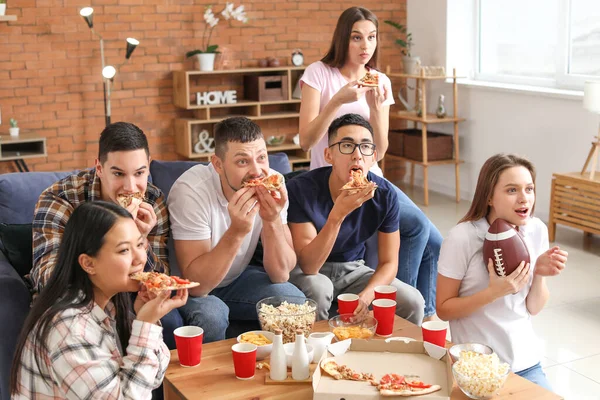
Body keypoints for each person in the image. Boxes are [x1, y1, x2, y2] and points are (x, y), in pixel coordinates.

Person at [298, 6, 441, 320]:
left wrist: (376, 110)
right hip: (330, 174)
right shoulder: (318, 73)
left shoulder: (381, 81)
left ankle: (416, 309)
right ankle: (396, 304)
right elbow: (305, 140)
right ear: (343, 39)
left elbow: (381, 150)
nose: (365, 46)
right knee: (417, 227)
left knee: (432, 237)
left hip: (369, 175)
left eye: (372, 38)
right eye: (357, 38)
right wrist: (338, 99)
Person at [29, 122, 183, 348]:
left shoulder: (152, 200)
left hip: (131, 298)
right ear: (99, 168)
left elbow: (159, 280)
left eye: (139, 173)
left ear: (148, 168)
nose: (131, 187)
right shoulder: (61, 198)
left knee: (169, 320)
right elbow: (48, 278)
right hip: (74, 302)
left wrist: (140, 240)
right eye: (118, 174)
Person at [11, 201, 188, 399]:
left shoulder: (109, 307)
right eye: (124, 250)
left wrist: (144, 318)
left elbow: (153, 379)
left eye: (139, 244)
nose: (140, 259)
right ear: (88, 263)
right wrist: (145, 326)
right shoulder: (68, 328)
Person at [436, 154, 568, 390]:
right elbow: (444, 309)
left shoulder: (536, 229)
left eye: (529, 189)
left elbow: (533, 308)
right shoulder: (462, 237)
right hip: (477, 366)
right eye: (511, 190)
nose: (524, 198)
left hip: (525, 363)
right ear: (489, 196)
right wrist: (493, 292)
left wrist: (538, 273)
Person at [168, 116, 306, 340]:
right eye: (243, 161)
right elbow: (197, 286)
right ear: (218, 164)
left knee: (295, 302)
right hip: (190, 285)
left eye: (261, 158)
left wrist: (272, 220)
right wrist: (237, 231)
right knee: (213, 314)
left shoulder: (275, 182)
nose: (257, 172)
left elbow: (281, 273)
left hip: (237, 280)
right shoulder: (191, 191)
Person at [287, 113, 425, 325]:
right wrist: (338, 215)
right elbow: (309, 266)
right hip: (309, 272)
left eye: (365, 147)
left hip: (354, 269)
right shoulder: (301, 189)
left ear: (373, 156)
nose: (357, 155)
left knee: (413, 300)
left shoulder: (384, 194)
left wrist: (368, 295)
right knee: (320, 288)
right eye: (346, 146)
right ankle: (320, 354)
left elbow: (389, 262)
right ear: (328, 155)